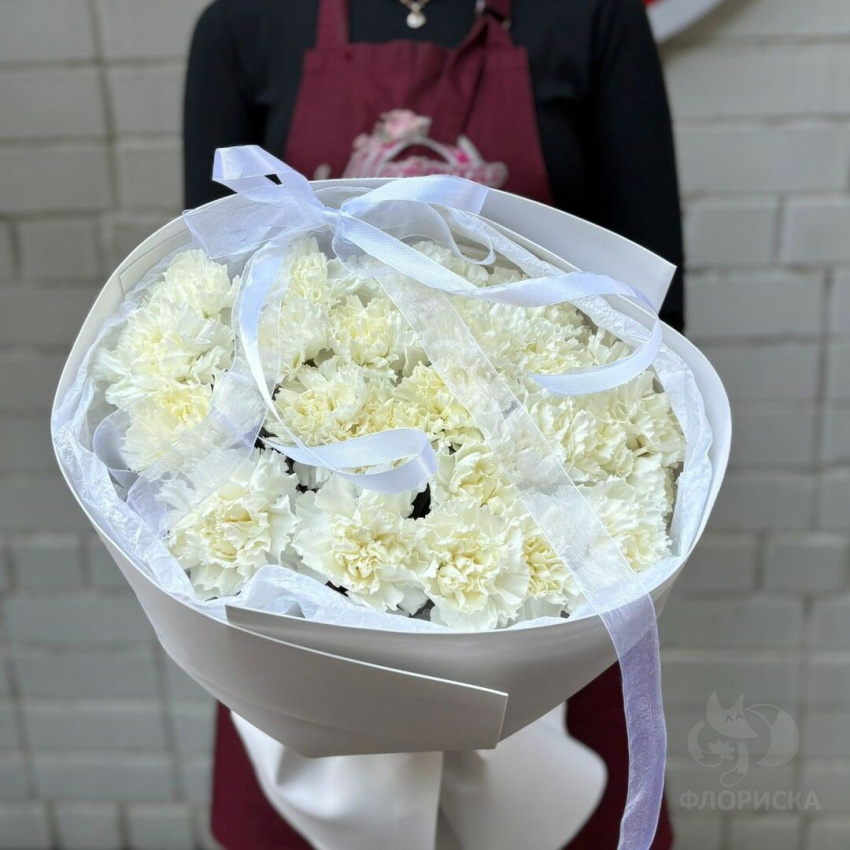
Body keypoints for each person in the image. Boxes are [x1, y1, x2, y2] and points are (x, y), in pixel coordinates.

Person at [183, 1, 683, 847]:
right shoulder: (246, 25)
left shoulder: (591, 17)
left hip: (548, 585)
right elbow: (210, 313)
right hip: (305, 610)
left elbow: (655, 332)